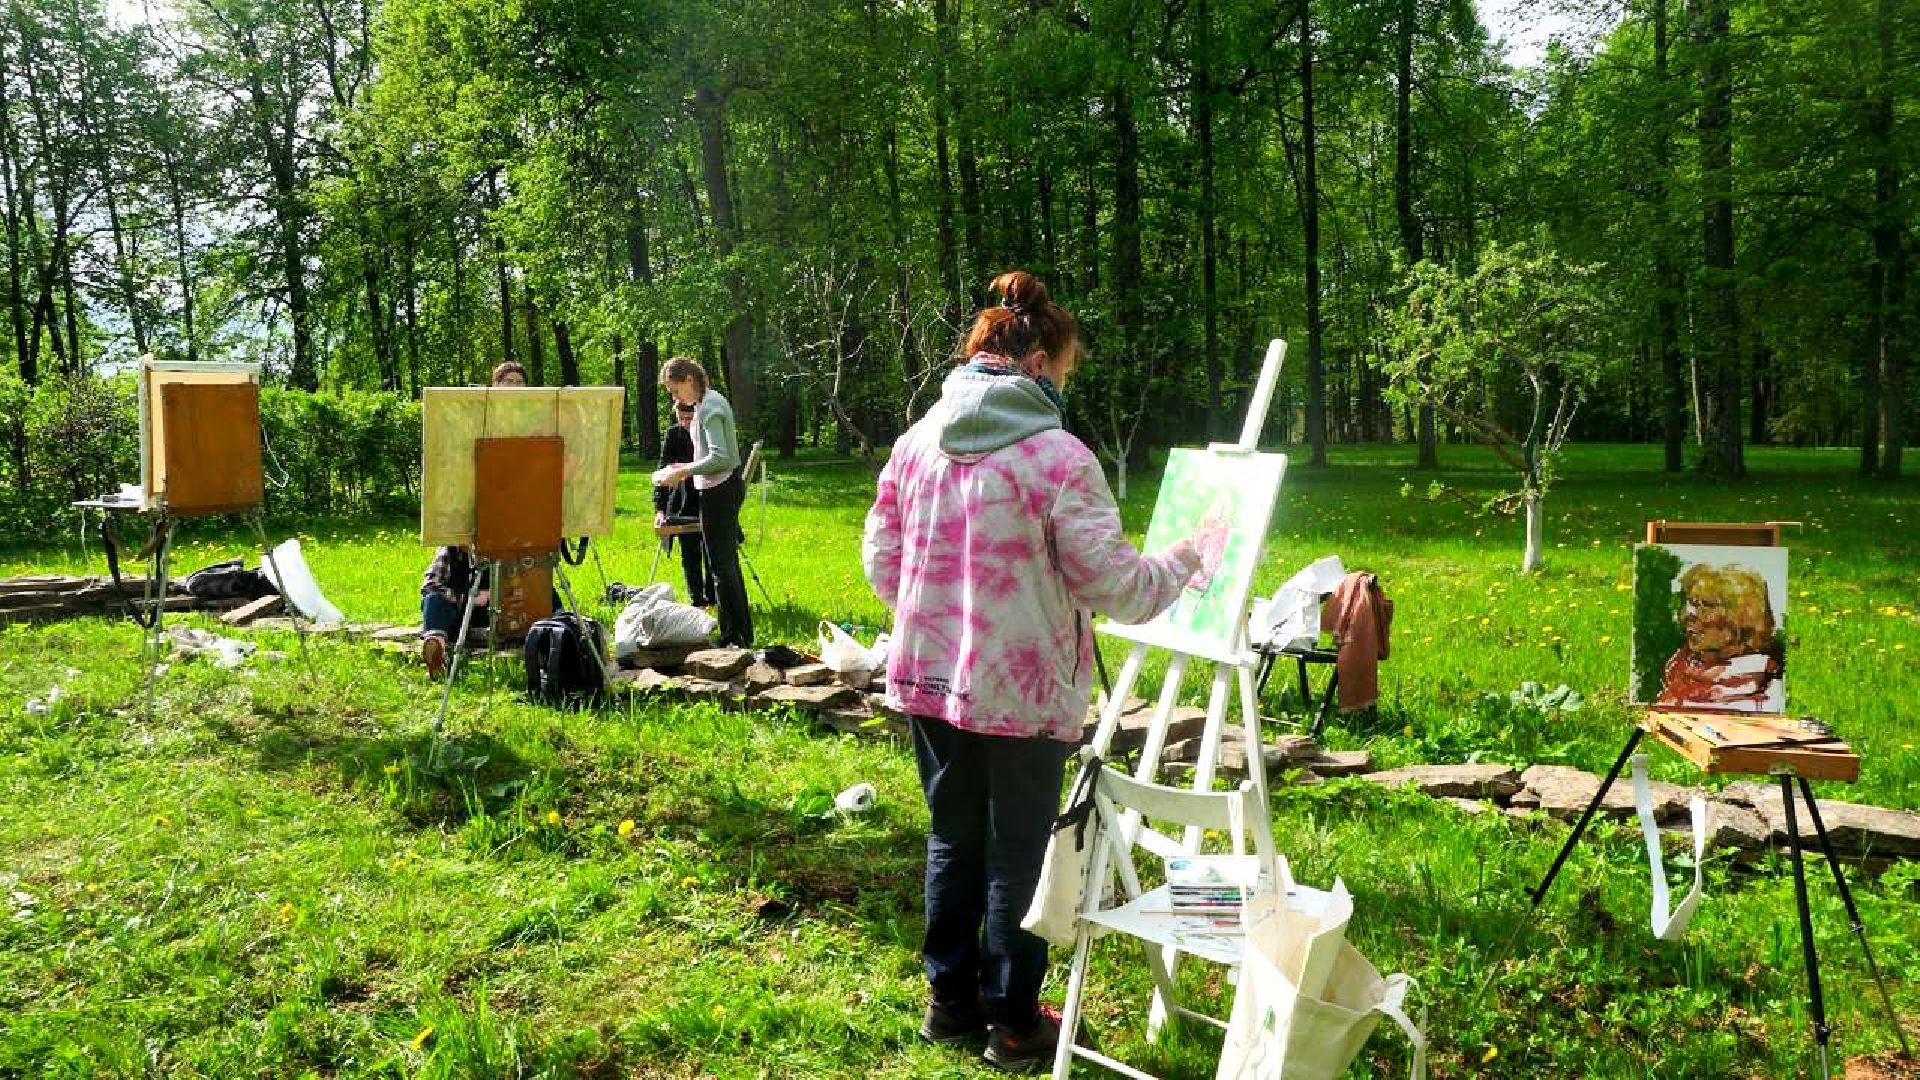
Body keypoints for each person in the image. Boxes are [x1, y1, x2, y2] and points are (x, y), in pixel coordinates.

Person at [862, 270, 1224, 1072]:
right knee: (1017, 852)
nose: (1066, 388)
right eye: (1065, 374)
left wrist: (933, 615)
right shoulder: (1058, 457)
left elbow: (881, 560)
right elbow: (1118, 587)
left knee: (954, 838)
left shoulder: (916, 440)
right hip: (1021, 691)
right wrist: (1191, 556)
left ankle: (948, 1005)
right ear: (1036, 367)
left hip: (929, 679)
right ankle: (1016, 1023)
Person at [418, 361, 530, 678]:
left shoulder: (535, 425)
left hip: (516, 540)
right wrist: (470, 596)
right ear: (494, 387)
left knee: (544, 595)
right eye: (507, 382)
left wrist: (496, 596)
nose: (514, 388)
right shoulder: (474, 425)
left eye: (519, 383)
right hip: (465, 596)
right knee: (436, 596)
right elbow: (433, 584)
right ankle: (435, 644)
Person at [652, 357, 753, 648]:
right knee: (724, 565)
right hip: (716, 488)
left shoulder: (710, 407)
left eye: (674, 389)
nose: (674, 397)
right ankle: (739, 633)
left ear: (689, 380)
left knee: (721, 567)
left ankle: (734, 636)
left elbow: (721, 457)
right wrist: (683, 468)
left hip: (721, 491)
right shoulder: (704, 404)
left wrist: (683, 471)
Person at [1657, 562, 1783, 712]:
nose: (1686, 614)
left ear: (1741, 617)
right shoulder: (1679, 670)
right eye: (1691, 603)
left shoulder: (1769, 690)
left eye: (1706, 605)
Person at [654, 398, 712, 607]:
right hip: (683, 500)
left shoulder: (707, 432)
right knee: (689, 552)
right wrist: (659, 510)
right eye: (681, 418)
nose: (686, 423)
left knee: (711, 552)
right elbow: (662, 472)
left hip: (707, 496)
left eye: (690, 418)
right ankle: (697, 600)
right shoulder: (673, 434)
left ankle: (714, 597)